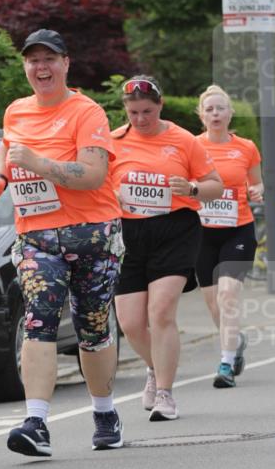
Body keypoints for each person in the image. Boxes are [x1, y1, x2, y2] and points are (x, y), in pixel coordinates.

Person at [0, 29, 125, 457]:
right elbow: (8, 152)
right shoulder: (16, 111)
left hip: (92, 233)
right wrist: (0, 179)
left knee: (93, 329)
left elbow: (95, 175)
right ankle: (36, 422)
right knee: (38, 319)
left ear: (66, 64)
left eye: (49, 59)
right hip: (36, 237)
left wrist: (40, 164)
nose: (40, 68)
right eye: (32, 60)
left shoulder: (87, 112)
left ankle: (104, 411)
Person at [110, 76, 222, 421]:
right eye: (133, 112)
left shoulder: (184, 140)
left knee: (160, 312)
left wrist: (191, 188)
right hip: (127, 234)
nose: (141, 119)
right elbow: (95, 184)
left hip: (175, 230)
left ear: (160, 106)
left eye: (147, 111)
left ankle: (165, 395)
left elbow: (215, 186)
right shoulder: (113, 141)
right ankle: (154, 368)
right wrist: (108, 197)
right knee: (129, 323)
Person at [195, 85, 263, 389]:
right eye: (209, 109)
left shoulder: (246, 147)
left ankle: (225, 363)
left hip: (238, 230)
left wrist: (256, 191)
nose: (215, 113)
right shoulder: (191, 146)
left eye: (220, 108)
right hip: (202, 234)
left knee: (227, 295)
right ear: (201, 115)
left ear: (229, 113)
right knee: (213, 305)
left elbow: (257, 184)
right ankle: (234, 343)